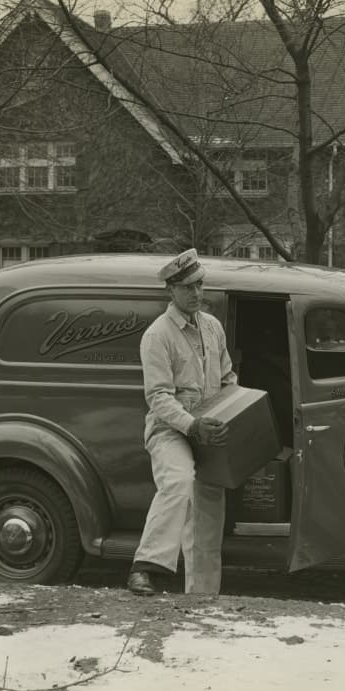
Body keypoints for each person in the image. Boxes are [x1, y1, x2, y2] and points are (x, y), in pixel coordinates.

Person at [128, 249, 238, 596]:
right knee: (178, 479)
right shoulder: (157, 335)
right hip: (170, 431)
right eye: (188, 287)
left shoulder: (212, 327)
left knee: (207, 520)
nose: (197, 293)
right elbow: (158, 397)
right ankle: (145, 567)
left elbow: (227, 376)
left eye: (200, 284)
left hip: (208, 430)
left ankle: (202, 599)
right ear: (170, 291)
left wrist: (237, 408)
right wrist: (192, 426)